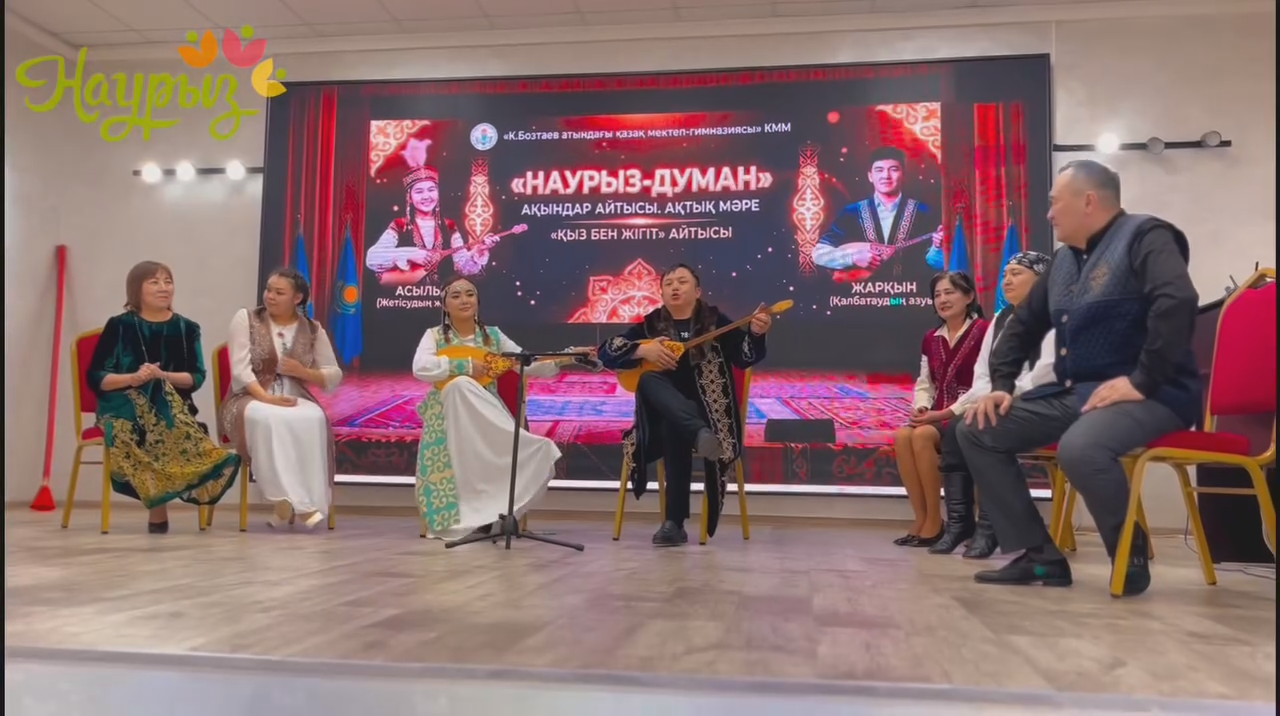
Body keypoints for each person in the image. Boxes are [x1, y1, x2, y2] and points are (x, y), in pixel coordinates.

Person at [958, 160, 1202, 596]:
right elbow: (1021, 327)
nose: (1049, 213)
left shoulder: (1146, 236)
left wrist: (1142, 380)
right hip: (1079, 395)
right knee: (977, 429)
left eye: (1055, 202)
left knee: (1081, 448)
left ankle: (1128, 551)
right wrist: (1001, 386)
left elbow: (1177, 300)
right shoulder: (1064, 261)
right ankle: (1040, 556)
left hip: (1154, 393)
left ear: (1089, 201)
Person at [597, 264, 771, 547]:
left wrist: (755, 333)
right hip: (676, 423)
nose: (674, 287)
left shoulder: (716, 322)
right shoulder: (650, 325)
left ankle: (673, 524)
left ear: (697, 291)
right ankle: (696, 434)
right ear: (661, 293)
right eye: (668, 284)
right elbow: (606, 351)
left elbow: (745, 357)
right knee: (649, 382)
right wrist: (642, 349)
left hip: (710, 416)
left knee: (674, 425)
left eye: (682, 282)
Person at [87, 261, 241, 533]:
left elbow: (196, 377)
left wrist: (163, 375)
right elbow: (97, 376)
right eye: (154, 282)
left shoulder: (187, 328)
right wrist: (133, 378)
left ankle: (159, 508)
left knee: (159, 390)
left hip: (173, 406)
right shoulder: (119, 325)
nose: (163, 287)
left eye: (168, 281)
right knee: (148, 405)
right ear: (137, 289)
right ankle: (163, 504)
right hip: (123, 404)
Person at [410, 276, 563, 539]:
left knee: (485, 425)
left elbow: (523, 362)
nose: (464, 300)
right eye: (456, 295)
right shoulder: (433, 336)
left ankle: (493, 510)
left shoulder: (492, 336)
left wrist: (564, 358)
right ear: (444, 305)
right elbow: (420, 367)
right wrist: (466, 367)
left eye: (470, 294)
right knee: (459, 385)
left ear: (478, 301)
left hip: (485, 412)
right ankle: (466, 517)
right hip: (447, 415)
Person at [929, 252, 1056, 558]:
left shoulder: (1054, 315)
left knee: (980, 427)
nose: (1007, 280)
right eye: (1005, 274)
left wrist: (1004, 395)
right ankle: (960, 523)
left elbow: (1047, 373)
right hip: (1000, 402)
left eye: (1017, 274)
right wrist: (986, 398)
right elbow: (983, 374)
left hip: (1042, 404)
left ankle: (990, 526)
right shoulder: (1002, 319)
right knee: (957, 427)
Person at [218, 268, 343, 530]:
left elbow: (333, 374)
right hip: (248, 398)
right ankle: (301, 506)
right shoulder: (246, 319)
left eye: (279, 292)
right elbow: (240, 370)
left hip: (294, 396)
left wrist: (304, 372)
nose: (270, 296)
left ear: (297, 298)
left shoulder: (313, 329)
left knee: (313, 417)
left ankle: (287, 503)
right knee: (270, 418)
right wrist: (266, 398)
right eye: (268, 290)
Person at [892, 271, 988, 548]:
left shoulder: (985, 331)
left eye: (949, 292)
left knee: (922, 435)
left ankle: (935, 522)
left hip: (970, 413)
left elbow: (986, 384)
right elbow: (925, 382)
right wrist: (922, 407)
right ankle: (923, 518)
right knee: (902, 435)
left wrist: (945, 413)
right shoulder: (931, 337)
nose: (942, 299)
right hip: (937, 413)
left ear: (968, 296)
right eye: (937, 295)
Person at [365, 138, 498, 283]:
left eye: (431, 190)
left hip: (441, 294)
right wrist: (411, 254)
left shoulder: (449, 226)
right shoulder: (400, 225)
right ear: (410, 197)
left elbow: (463, 268)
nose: (426, 196)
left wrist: (478, 250)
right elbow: (372, 259)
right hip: (405, 295)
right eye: (419, 192)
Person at [811, 146, 945, 281]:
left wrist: (937, 247)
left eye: (893, 169)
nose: (886, 176)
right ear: (870, 176)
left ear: (903, 175)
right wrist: (853, 258)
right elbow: (819, 254)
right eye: (879, 170)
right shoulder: (851, 212)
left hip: (910, 291)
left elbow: (935, 264)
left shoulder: (923, 212)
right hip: (860, 293)